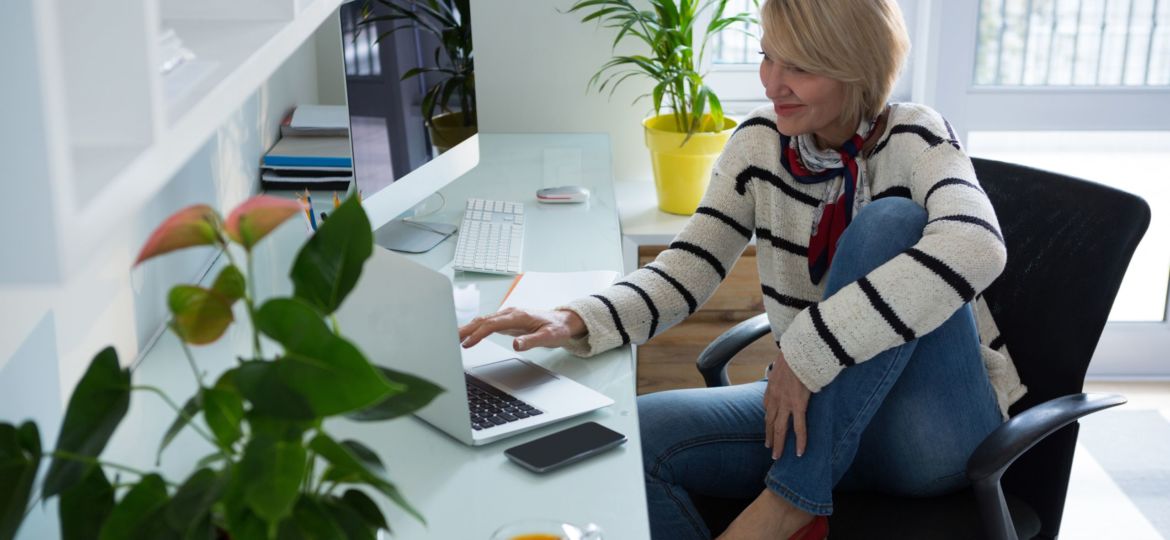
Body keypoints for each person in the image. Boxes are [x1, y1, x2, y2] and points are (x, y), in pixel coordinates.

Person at [458, 0, 1027, 538]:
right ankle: (793, 495)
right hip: (812, 415)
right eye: (766, 55)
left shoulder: (916, 135)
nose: (771, 82)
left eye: (798, 66)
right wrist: (578, 318)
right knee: (631, 440)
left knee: (890, 224)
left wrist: (805, 350)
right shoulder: (759, 143)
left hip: (924, 434)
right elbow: (688, 266)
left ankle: (787, 507)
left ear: (855, 67)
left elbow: (977, 246)